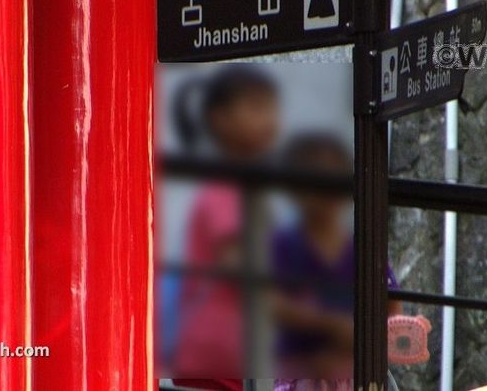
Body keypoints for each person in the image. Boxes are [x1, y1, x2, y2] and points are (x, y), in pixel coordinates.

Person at [168, 66, 281, 389]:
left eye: (271, 109)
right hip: (220, 348)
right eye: (257, 108)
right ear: (220, 119)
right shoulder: (228, 185)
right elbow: (237, 263)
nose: (269, 120)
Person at [270, 134, 404, 390]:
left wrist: (382, 335)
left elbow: (392, 303)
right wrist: (334, 326)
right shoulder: (284, 246)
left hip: (355, 372)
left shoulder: (363, 250)